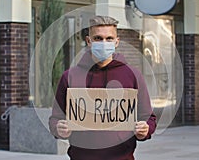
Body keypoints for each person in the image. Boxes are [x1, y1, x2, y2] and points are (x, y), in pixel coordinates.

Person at [49, 15, 156, 160]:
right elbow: (55, 118)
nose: (104, 43)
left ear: (116, 42)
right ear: (88, 41)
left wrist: (145, 129)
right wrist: (59, 129)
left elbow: (148, 117)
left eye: (109, 38)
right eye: (98, 38)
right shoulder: (70, 77)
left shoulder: (133, 75)